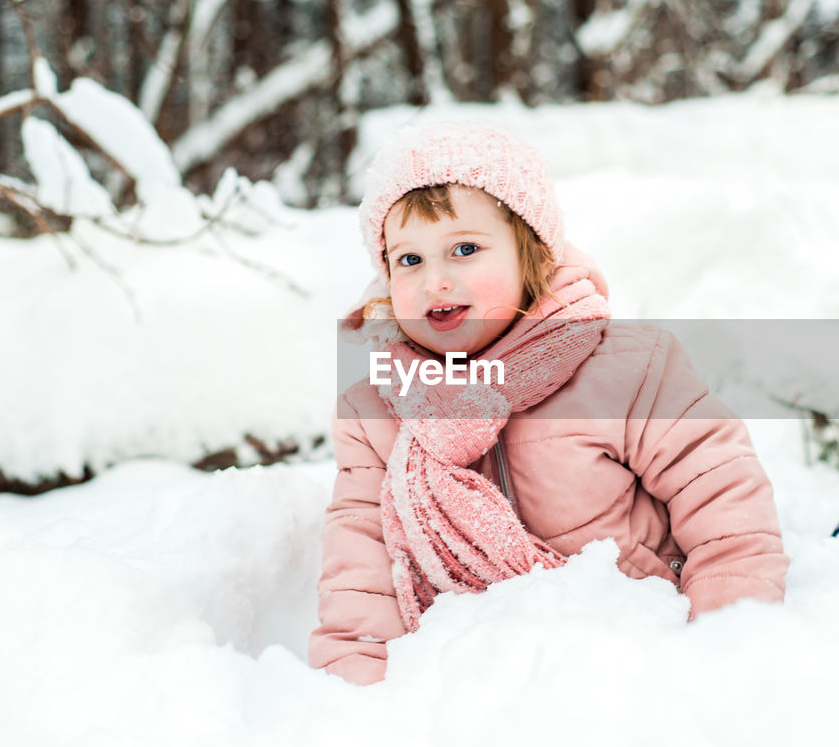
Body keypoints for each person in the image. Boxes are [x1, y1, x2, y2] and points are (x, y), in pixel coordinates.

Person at [308, 122, 789, 685]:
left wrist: (725, 639)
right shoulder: (377, 407)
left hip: (638, 652)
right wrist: (357, 681)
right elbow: (363, 556)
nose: (435, 280)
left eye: (465, 249)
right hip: (483, 675)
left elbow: (722, 499)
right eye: (408, 260)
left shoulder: (625, 368)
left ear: (530, 252)